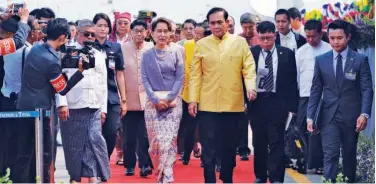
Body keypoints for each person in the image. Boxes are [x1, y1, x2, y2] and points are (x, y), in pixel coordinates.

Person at [188, 7, 257, 183]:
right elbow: (195, 75)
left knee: (229, 148)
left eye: (220, 22)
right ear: (208, 24)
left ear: (227, 23)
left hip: (233, 105)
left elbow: (248, 68)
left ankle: (227, 179)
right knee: (209, 148)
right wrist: (193, 100)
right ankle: (209, 179)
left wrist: (251, 88)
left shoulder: (240, 43)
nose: (217, 26)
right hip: (208, 105)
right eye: (213, 23)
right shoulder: (201, 44)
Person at [16, 18, 85, 183]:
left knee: (25, 154)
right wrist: (79, 72)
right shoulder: (51, 60)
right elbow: (62, 89)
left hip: (24, 106)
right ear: (62, 37)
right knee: (45, 154)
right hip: (39, 112)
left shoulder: (36, 48)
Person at [307, 20, 373, 183]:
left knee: (349, 155)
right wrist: (310, 116)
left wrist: (364, 114)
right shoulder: (321, 60)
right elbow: (316, 90)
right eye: (332, 38)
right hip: (329, 117)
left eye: (339, 38)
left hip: (352, 117)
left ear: (348, 37)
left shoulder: (360, 60)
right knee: (330, 154)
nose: (335, 42)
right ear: (327, 37)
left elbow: (367, 89)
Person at [56, 19, 110, 183]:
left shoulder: (100, 55)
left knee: (94, 140)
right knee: (75, 146)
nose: (90, 38)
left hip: (94, 106)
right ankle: (75, 177)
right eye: (86, 34)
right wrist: (62, 103)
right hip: (73, 106)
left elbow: (103, 83)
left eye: (93, 35)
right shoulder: (66, 53)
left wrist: (103, 108)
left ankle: (95, 176)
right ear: (77, 33)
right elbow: (59, 80)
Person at [249, 21, 298, 183]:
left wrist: (292, 106)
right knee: (259, 140)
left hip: (278, 102)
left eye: (269, 38)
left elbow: (292, 81)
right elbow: (244, 78)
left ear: (275, 36)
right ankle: (261, 176)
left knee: (277, 140)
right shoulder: (252, 53)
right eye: (262, 38)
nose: (265, 42)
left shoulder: (287, 54)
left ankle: (277, 178)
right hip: (257, 102)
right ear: (258, 37)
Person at [141, 17, 184, 183]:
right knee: (156, 143)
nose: (162, 34)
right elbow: (144, 79)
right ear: (151, 33)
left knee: (169, 141)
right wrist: (155, 99)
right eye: (159, 31)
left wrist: (169, 98)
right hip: (152, 103)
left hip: (173, 103)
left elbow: (180, 78)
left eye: (166, 31)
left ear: (171, 33)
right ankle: (161, 173)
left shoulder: (177, 52)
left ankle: (167, 176)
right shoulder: (146, 54)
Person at [295, 20, 331, 174]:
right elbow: (297, 76)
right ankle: (303, 159)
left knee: (320, 129)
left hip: (324, 96)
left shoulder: (329, 49)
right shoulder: (301, 52)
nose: (310, 40)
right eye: (307, 36)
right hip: (305, 95)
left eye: (313, 36)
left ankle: (319, 163)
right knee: (301, 127)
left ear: (321, 34)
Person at [93, 12, 127, 163]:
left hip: (111, 96)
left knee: (112, 131)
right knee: (94, 132)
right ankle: (95, 164)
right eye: (99, 25)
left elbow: (120, 74)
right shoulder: (88, 47)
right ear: (94, 27)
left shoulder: (115, 47)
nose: (102, 29)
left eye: (105, 26)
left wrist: (123, 100)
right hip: (93, 96)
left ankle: (103, 161)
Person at [121, 19, 153, 177]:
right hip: (128, 98)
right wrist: (122, 99)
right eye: (136, 31)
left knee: (145, 135)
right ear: (131, 32)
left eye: (142, 31)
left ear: (147, 32)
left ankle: (145, 164)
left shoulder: (151, 49)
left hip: (148, 99)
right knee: (128, 135)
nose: (139, 34)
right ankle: (129, 165)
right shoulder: (122, 48)